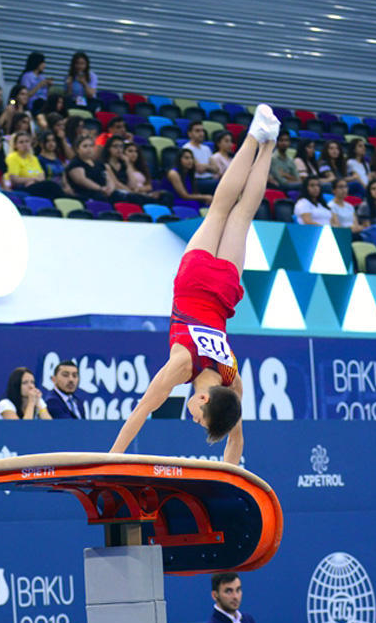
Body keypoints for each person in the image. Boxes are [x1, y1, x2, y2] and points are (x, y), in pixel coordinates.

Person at [110, 105, 280, 465]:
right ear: (203, 400)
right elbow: (141, 411)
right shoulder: (181, 366)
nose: (193, 417)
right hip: (195, 281)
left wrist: (231, 474)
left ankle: (266, 143)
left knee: (238, 214)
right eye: (198, 417)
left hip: (223, 289)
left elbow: (237, 441)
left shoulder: (232, 378)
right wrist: (111, 458)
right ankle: (254, 136)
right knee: (222, 209)